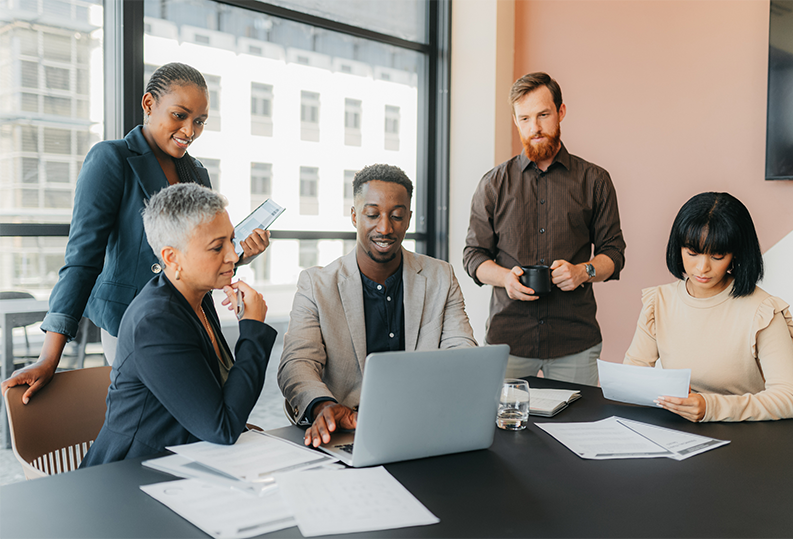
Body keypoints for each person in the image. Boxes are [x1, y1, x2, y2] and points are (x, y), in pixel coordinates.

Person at [1, 62, 269, 403]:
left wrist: (241, 253)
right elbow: (82, 259)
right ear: (148, 104)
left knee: (203, 418)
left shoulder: (196, 172)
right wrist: (49, 356)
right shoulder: (112, 159)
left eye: (199, 121)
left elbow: (194, 255)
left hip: (193, 316)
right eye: (179, 115)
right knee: (163, 419)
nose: (190, 130)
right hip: (132, 319)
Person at [278, 164, 477, 448]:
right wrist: (323, 407)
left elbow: (463, 352)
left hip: (423, 424)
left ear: (408, 218)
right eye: (372, 215)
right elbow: (296, 363)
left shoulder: (440, 276)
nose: (385, 228)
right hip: (347, 431)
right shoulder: (316, 284)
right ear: (354, 216)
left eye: (396, 216)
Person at [80, 184, 276, 466]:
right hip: (130, 475)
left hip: (187, 460)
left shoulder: (196, 298)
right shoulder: (156, 323)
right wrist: (253, 329)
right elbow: (222, 427)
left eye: (231, 241)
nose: (234, 255)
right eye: (217, 247)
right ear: (172, 257)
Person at [463, 72, 626, 386]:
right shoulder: (493, 183)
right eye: (524, 118)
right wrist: (504, 278)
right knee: (502, 431)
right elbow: (473, 256)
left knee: (576, 433)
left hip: (574, 341)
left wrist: (584, 271)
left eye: (543, 115)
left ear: (561, 112)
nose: (534, 128)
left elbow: (614, 253)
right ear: (515, 120)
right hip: (508, 341)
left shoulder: (595, 181)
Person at [623, 192, 793, 422]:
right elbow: (632, 377)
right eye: (692, 253)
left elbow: (787, 397)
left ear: (736, 255)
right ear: (678, 248)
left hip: (747, 439)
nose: (702, 268)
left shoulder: (763, 311)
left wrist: (711, 407)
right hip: (679, 430)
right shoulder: (659, 301)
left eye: (717, 256)